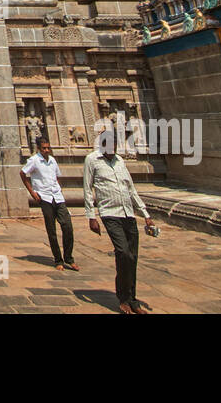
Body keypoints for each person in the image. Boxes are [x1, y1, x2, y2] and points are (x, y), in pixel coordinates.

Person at [83, 132, 156, 314]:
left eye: (115, 146)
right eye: (110, 146)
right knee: (123, 252)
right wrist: (91, 216)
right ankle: (123, 297)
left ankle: (132, 298)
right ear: (102, 145)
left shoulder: (119, 161)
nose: (113, 149)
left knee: (132, 257)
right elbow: (87, 188)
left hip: (128, 213)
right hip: (109, 213)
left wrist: (145, 213)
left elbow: (130, 188)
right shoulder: (92, 160)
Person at [20, 137, 78, 272]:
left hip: (57, 196)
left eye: (48, 148)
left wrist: (57, 186)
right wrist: (32, 192)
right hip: (44, 197)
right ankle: (58, 259)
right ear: (39, 149)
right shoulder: (34, 160)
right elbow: (23, 173)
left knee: (67, 226)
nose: (46, 150)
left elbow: (57, 175)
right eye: (44, 148)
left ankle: (69, 258)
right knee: (51, 230)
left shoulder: (52, 160)